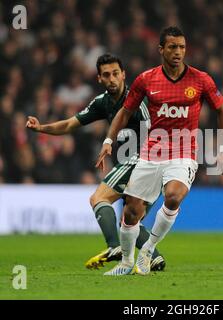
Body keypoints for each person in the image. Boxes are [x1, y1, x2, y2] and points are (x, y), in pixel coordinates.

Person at [96, 27, 223, 276]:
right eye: (172, 47)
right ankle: (127, 262)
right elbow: (125, 112)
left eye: (182, 47)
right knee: (131, 212)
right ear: (161, 49)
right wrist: (108, 140)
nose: (178, 52)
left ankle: (148, 250)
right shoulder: (146, 80)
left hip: (184, 151)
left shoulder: (201, 80)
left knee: (173, 196)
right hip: (152, 152)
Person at [26, 53, 166, 272]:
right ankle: (155, 258)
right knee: (129, 218)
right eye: (106, 75)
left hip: (147, 158)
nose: (112, 79)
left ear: (124, 75)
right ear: (99, 78)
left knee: (98, 198)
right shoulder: (103, 102)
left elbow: (156, 132)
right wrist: (41, 128)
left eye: (116, 74)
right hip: (141, 161)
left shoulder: (136, 100)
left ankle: (114, 247)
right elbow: (69, 125)